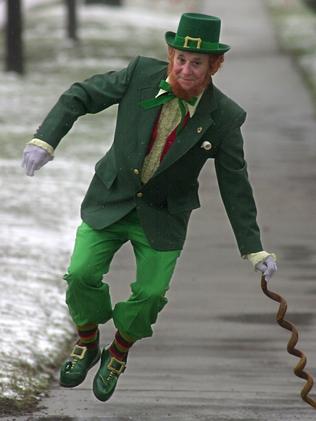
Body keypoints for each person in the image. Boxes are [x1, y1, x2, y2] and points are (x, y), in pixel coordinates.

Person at [21, 12, 277, 402]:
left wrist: (253, 246)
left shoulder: (224, 117)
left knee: (152, 294)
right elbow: (80, 95)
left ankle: (118, 351)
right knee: (80, 274)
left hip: (163, 215)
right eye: (180, 59)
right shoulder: (139, 74)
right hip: (111, 199)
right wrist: (45, 140)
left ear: (214, 66)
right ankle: (88, 342)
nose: (186, 69)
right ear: (170, 55)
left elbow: (236, 185)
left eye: (197, 63)